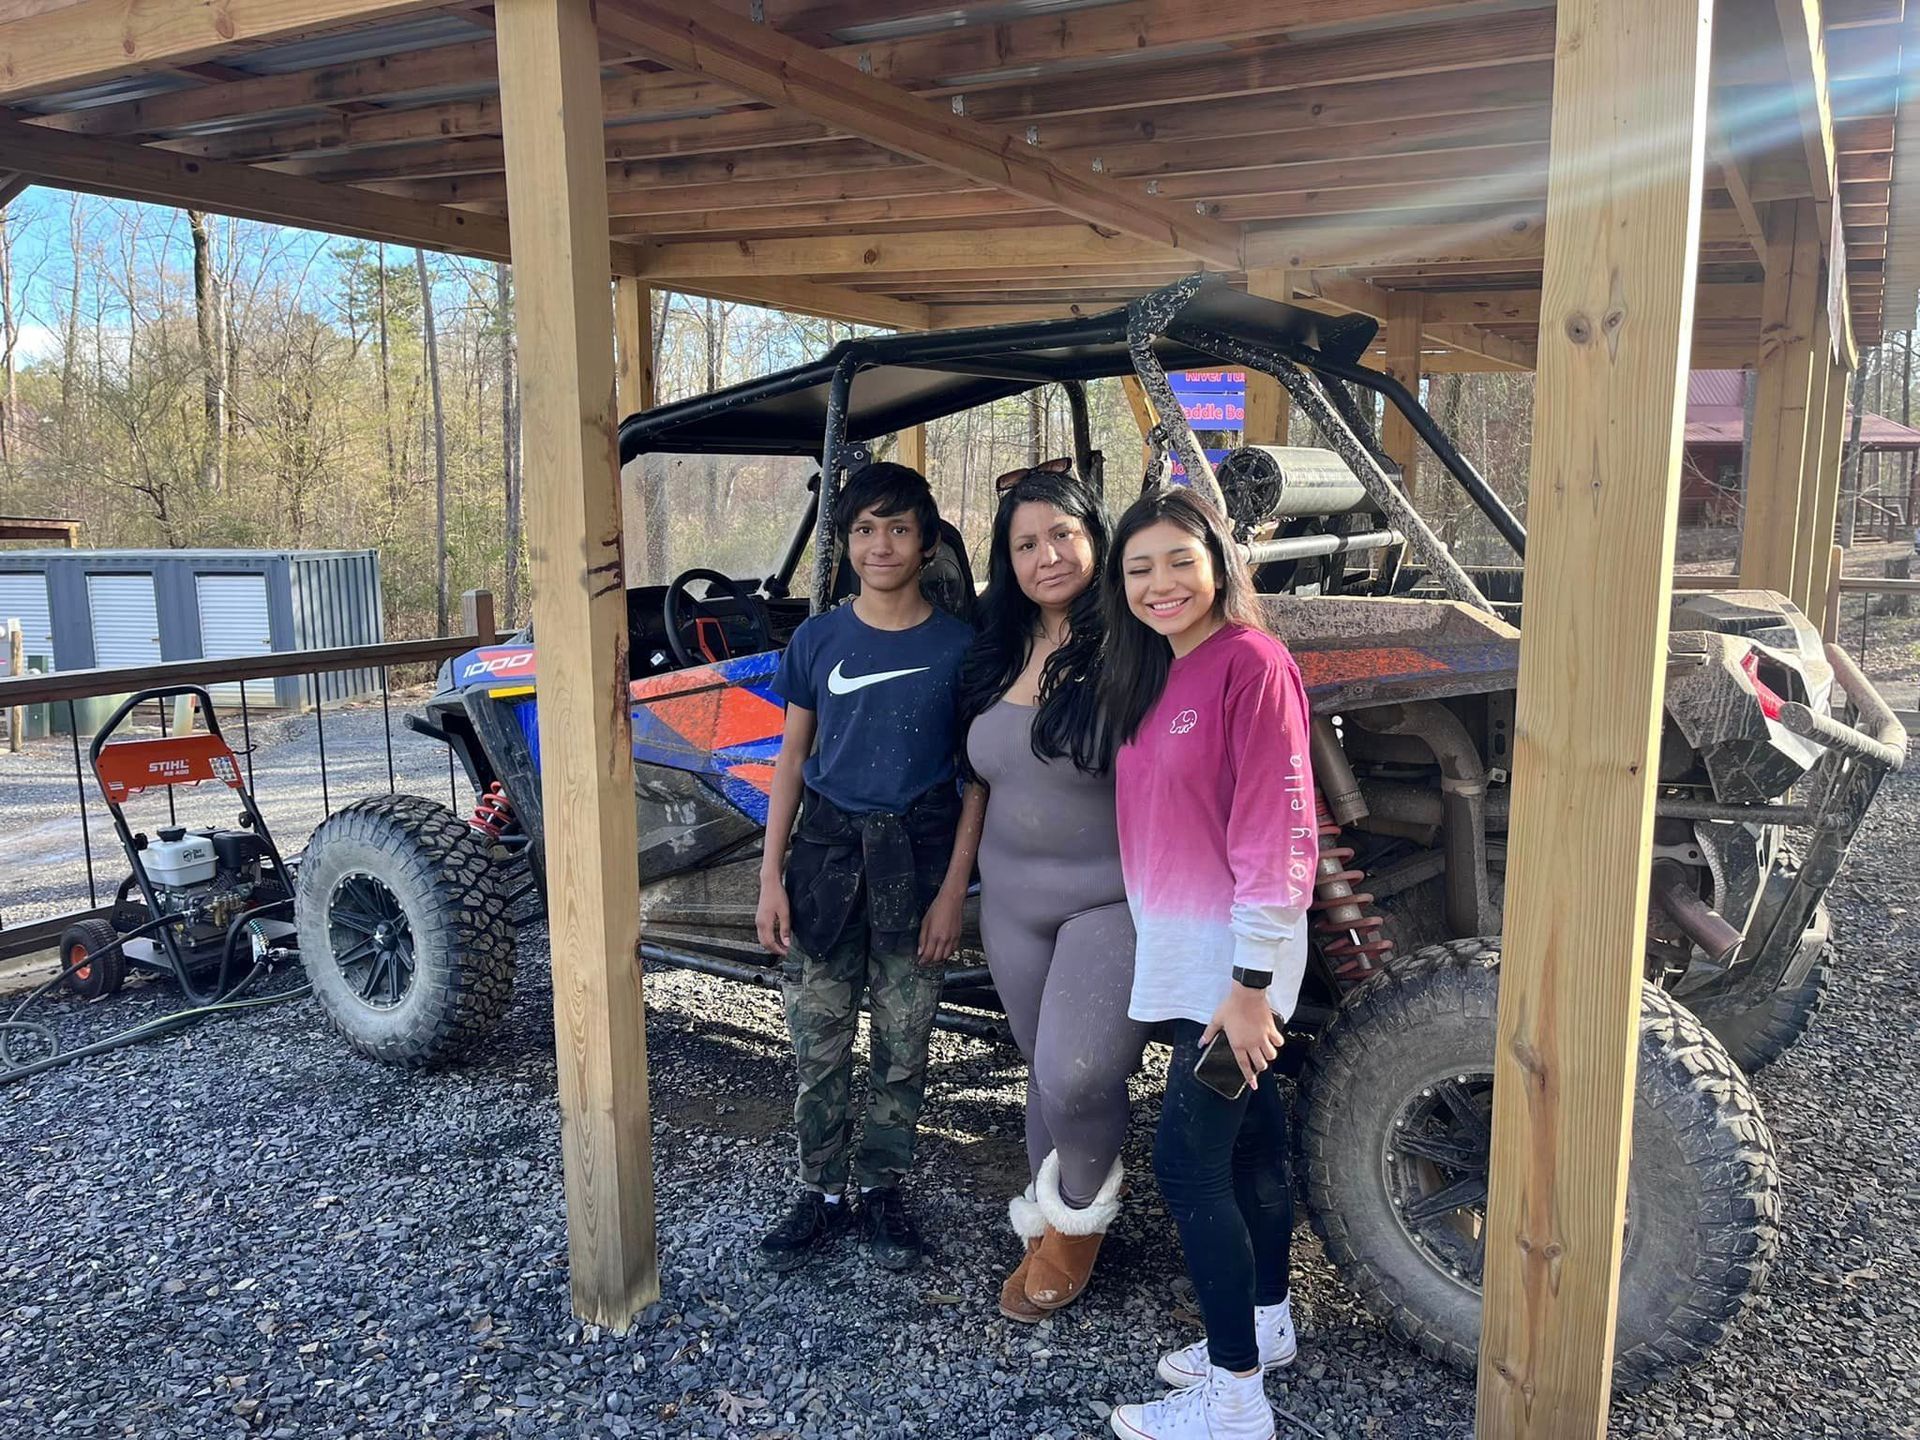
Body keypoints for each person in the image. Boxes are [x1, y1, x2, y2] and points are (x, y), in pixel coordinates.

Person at [1096, 486, 1319, 1440]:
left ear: (1219, 563)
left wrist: (1251, 984)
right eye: (1139, 568)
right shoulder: (1156, 670)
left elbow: (1280, 823)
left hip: (1237, 967)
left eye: (1180, 561)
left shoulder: (1252, 664)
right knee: (1256, 1139)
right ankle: (1267, 1326)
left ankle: (1235, 1401)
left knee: (1188, 1168)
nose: (1161, 583)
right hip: (1192, 957)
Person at [754, 462, 985, 1274]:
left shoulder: (962, 649)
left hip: (917, 869)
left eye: (897, 528)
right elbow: (789, 760)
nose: (879, 545)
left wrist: (955, 890)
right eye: (863, 530)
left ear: (926, 543)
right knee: (817, 1045)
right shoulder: (817, 640)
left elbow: (973, 778)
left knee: (902, 1044)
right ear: (845, 543)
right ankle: (819, 1190)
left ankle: (884, 1189)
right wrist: (769, 875)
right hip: (823, 864)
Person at [958, 468, 1151, 1323]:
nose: (1048, 556)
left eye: (1064, 535)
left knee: (1077, 1078)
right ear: (1006, 561)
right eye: (1026, 543)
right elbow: (978, 787)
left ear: (1097, 540)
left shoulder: (1141, 642)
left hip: (1110, 901)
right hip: (1009, 903)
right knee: (1041, 1073)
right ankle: (1045, 1217)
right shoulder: (995, 649)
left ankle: (1079, 1223)